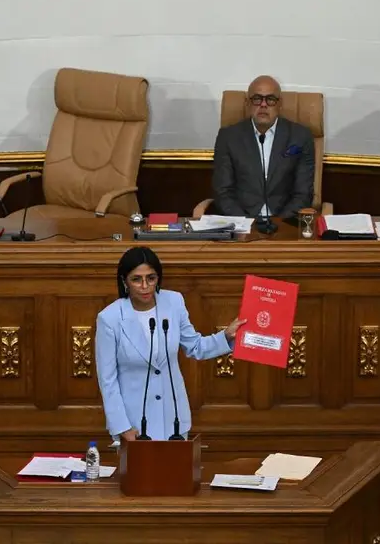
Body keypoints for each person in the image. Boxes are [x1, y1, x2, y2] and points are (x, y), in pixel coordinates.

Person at [95, 247, 245, 442]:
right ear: (125, 281)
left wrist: (226, 336)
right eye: (136, 279)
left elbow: (195, 346)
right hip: (135, 425)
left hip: (173, 419)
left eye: (151, 278)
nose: (144, 286)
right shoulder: (110, 318)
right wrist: (122, 426)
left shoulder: (173, 302)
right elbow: (108, 381)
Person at [211, 75, 315, 219]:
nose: (263, 105)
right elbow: (223, 192)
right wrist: (246, 224)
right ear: (248, 103)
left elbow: (303, 193)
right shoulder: (228, 137)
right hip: (242, 223)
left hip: (286, 223)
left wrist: (279, 224)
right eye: (257, 99)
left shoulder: (300, 137)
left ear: (280, 104)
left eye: (270, 99)